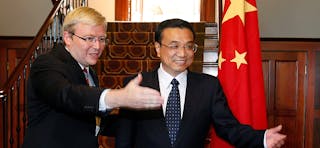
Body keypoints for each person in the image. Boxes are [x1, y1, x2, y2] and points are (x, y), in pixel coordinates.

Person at [114, 18, 287, 148]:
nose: (182, 53)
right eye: (174, 46)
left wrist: (262, 138)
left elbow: (228, 128)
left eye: (189, 46)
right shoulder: (137, 84)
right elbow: (124, 138)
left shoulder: (209, 86)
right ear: (158, 48)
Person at [22, 7, 163, 148]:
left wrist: (147, 125)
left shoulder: (89, 72)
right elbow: (67, 95)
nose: (97, 46)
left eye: (101, 39)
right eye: (89, 38)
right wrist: (118, 97)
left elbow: (93, 122)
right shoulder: (47, 63)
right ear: (68, 37)